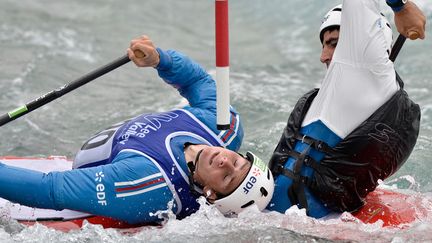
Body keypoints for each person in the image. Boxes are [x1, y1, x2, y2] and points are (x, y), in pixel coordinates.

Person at [0, 36, 274, 224]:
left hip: (104, 171)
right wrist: (160, 60)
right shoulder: (225, 127)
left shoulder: (148, 185)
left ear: (211, 195)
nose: (225, 161)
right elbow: (197, 80)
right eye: (237, 161)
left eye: (226, 177)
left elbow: (50, 189)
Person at [267, 0, 426, 218]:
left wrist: (401, 7)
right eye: (324, 45)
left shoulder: (364, 64)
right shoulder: (342, 96)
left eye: (333, 43)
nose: (323, 56)